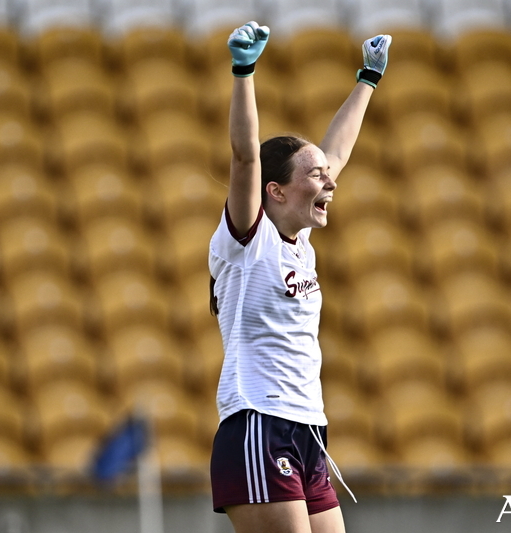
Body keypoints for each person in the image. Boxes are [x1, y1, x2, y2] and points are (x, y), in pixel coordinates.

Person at [208, 20, 392, 533]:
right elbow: (244, 155)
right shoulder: (248, 238)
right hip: (259, 426)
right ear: (276, 191)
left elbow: (337, 152)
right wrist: (243, 71)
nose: (331, 180)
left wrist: (367, 80)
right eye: (315, 176)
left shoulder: (300, 241)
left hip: (309, 429)